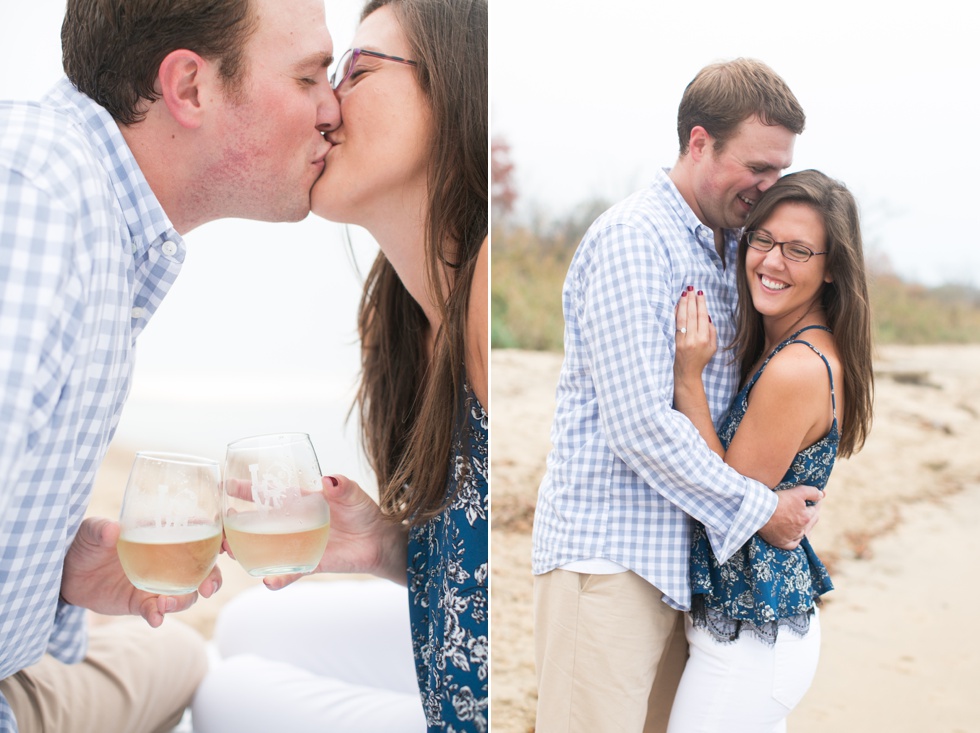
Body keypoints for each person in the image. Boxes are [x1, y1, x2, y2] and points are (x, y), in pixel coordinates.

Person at [0, 0, 341, 731]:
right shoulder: (37, 199)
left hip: (21, 656)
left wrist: (52, 576)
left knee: (184, 659)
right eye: (311, 75)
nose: (333, 108)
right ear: (189, 87)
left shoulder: (91, 213)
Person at [191, 0, 488, 731]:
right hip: (464, 654)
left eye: (354, 71)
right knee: (246, 625)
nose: (324, 108)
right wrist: (390, 544)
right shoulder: (406, 316)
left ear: (456, 87)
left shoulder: (482, 291)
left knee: (223, 693)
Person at [531, 58, 824, 733]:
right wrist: (760, 510)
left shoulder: (732, 250)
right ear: (699, 142)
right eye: (756, 166)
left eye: (779, 169)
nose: (768, 185)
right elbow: (638, 425)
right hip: (608, 565)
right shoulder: (638, 240)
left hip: (681, 571)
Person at [666, 169, 874, 731]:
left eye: (799, 250)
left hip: (750, 646)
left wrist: (689, 381)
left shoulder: (797, 368)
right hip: (748, 630)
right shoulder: (799, 348)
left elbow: (725, 497)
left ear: (831, 267)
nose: (772, 261)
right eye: (763, 240)